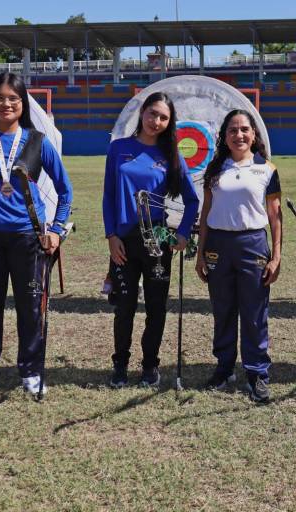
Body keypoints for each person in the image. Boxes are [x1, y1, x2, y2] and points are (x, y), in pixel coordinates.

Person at [0, 72, 73, 404]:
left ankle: (31, 371)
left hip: (29, 238)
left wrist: (55, 229)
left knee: (30, 308)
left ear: (22, 104)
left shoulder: (37, 141)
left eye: (13, 98)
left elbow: (65, 191)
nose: (6, 104)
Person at [103, 91, 199, 389]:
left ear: (169, 123)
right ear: (142, 112)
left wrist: (182, 233)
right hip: (123, 241)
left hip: (157, 242)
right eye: (152, 113)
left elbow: (193, 201)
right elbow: (108, 195)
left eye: (163, 117)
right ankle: (120, 365)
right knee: (125, 306)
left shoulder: (171, 156)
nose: (155, 121)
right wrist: (111, 236)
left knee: (156, 307)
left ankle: (149, 366)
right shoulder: (119, 148)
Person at [195, 109, 282, 403]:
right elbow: (206, 211)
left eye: (244, 129)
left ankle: (257, 372)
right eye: (233, 130)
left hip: (252, 244)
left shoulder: (267, 169)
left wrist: (276, 256)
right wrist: (200, 253)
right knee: (223, 310)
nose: (239, 135)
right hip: (218, 244)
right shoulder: (215, 168)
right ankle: (224, 368)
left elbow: (275, 216)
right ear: (224, 136)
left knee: (255, 312)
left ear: (253, 134)